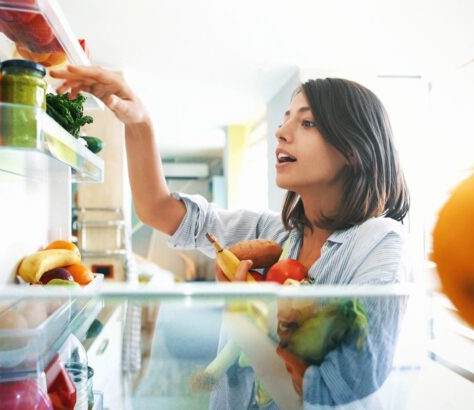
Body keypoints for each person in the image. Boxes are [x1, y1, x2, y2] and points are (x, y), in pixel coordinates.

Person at [51, 66, 411, 408]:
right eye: (286, 117)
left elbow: (333, 394)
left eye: (307, 122)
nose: (282, 131)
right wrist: (139, 121)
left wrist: (243, 315)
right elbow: (158, 210)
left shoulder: (380, 243)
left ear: (352, 149)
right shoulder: (273, 233)